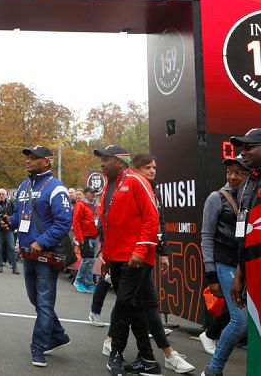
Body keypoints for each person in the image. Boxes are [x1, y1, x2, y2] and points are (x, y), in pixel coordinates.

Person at [125, 153, 194, 374]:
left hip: (144, 256)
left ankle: (166, 353)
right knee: (130, 304)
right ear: (135, 169)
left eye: (154, 167)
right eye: (147, 167)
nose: (153, 171)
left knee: (145, 304)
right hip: (130, 257)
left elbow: (159, 223)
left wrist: (163, 252)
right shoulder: (131, 187)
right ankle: (118, 345)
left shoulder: (153, 190)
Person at [94, 145, 159, 376]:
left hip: (134, 258)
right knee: (133, 306)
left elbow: (152, 218)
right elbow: (108, 225)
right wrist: (106, 257)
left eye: (106, 159)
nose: (102, 163)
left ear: (121, 162)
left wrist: (140, 251)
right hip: (116, 256)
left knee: (123, 305)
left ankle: (116, 353)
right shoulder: (107, 186)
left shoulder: (136, 180)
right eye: (101, 159)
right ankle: (148, 360)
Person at [201, 128, 261, 376]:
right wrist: (212, 274)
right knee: (241, 320)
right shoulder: (218, 197)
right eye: (230, 172)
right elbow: (208, 236)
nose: (234, 176)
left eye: (239, 172)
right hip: (229, 264)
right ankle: (213, 369)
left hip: (245, 266)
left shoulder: (248, 188)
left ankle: (211, 338)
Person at [10, 145, 73, 367]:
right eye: (27, 157)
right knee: (36, 300)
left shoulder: (57, 188)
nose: (28, 160)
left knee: (44, 303)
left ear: (47, 162)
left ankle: (38, 346)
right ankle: (58, 335)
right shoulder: (23, 185)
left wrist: (41, 242)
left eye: (33, 158)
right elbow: (18, 215)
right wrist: (9, 222)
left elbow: (63, 222)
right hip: (28, 254)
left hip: (46, 254)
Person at [72, 187, 98, 293]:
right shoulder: (80, 205)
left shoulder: (94, 205)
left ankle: (88, 283)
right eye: (92, 193)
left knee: (90, 261)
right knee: (87, 260)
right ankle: (78, 281)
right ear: (86, 194)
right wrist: (80, 238)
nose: (94, 195)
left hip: (94, 236)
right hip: (86, 236)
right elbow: (76, 222)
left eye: (94, 193)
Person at [0, 188, 18, 274]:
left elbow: (15, 214)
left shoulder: (10, 203)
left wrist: (10, 218)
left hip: (9, 229)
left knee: (11, 247)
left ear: (5, 195)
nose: (1, 195)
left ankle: (14, 267)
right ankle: (0, 265)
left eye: (3, 194)